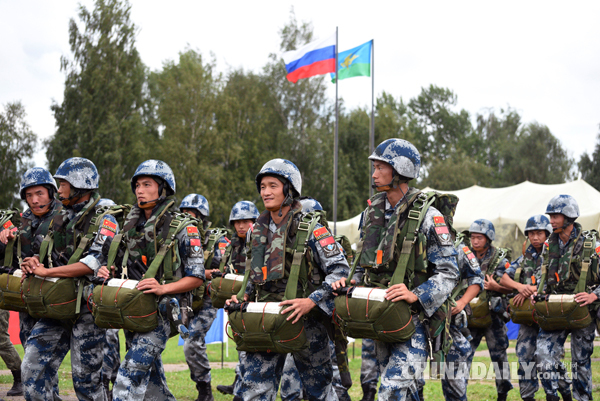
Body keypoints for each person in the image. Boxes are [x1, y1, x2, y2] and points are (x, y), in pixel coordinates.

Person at [332, 138, 460, 400]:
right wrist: (353, 282)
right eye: (374, 167)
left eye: (381, 167)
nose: (374, 173)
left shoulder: (428, 215)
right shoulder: (371, 213)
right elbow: (364, 261)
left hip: (415, 322)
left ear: (401, 170)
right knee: (408, 393)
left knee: (389, 392)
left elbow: (449, 272)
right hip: (380, 317)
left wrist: (417, 294)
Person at [226, 158, 350, 401]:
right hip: (265, 320)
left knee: (319, 393)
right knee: (254, 391)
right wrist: (242, 296)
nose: (266, 192)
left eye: (273, 185)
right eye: (262, 186)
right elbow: (253, 275)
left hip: (308, 324)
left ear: (289, 189)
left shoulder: (312, 228)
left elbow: (340, 270)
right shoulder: (255, 231)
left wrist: (311, 302)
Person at [97, 159, 205, 401]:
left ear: (163, 189)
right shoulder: (128, 225)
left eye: (147, 184)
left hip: (165, 313)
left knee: (127, 379)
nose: (139, 190)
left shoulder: (184, 228)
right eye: (137, 185)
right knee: (153, 388)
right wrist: (107, 270)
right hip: (132, 309)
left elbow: (197, 277)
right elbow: (116, 263)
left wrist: (162, 288)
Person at [20, 158, 114, 401]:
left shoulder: (106, 217)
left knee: (86, 384)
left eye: (63, 184)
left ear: (80, 185)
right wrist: (32, 263)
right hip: (57, 306)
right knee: (31, 370)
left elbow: (93, 262)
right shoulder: (59, 217)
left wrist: (47, 272)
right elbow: (45, 256)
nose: (58, 189)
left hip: (88, 310)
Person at [0, 168, 62, 398]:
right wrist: (7, 239)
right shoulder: (24, 219)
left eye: (40, 193)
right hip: (29, 302)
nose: (34, 200)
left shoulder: (64, 217)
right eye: (29, 195)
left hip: (56, 301)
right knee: (34, 362)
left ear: (51, 192)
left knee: (41, 365)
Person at [534, 195, 600, 401]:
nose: (551, 220)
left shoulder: (592, 244)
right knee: (543, 356)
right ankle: (554, 394)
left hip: (583, 310)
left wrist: (593, 295)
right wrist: (538, 290)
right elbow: (540, 274)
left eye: (556, 216)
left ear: (569, 217)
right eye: (551, 216)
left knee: (580, 362)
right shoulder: (547, 245)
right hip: (555, 309)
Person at [499, 214, 570, 401]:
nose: (535, 237)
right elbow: (504, 278)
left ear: (547, 233)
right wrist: (521, 287)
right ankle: (528, 397)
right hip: (528, 318)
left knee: (547, 359)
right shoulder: (525, 258)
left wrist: (535, 290)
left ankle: (564, 392)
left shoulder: (558, 254)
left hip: (550, 316)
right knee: (524, 357)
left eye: (539, 233)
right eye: (531, 234)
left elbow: (560, 281)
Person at [179, 193, 226, 401]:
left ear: (202, 217)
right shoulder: (176, 237)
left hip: (206, 300)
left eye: (192, 214)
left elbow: (221, 273)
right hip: (183, 300)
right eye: (184, 213)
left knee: (192, 342)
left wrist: (199, 274)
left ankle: (204, 390)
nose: (187, 217)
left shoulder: (217, 241)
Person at [463, 219, 513, 401]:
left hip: (494, 317)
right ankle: (460, 393)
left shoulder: (500, 260)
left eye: (479, 237)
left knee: (499, 356)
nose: (475, 241)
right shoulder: (464, 256)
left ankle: (503, 393)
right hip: (470, 315)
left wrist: (495, 286)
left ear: (488, 238)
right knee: (464, 354)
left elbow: (510, 285)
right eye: (473, 237)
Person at [216, 201, 260, 401]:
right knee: (242, 347)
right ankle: (239, 386)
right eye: (237, 222)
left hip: (257, 302)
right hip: (236, 302)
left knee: (249, 350)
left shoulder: (261, 242)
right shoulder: (231, 246)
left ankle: (241, 392)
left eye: (245, 221)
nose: (241, 226)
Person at [441, 234, 484, 401]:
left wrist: (462, 302)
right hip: (418, 317)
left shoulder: (458, 245)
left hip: (449, 321)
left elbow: (477, 278)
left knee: (454, 375)